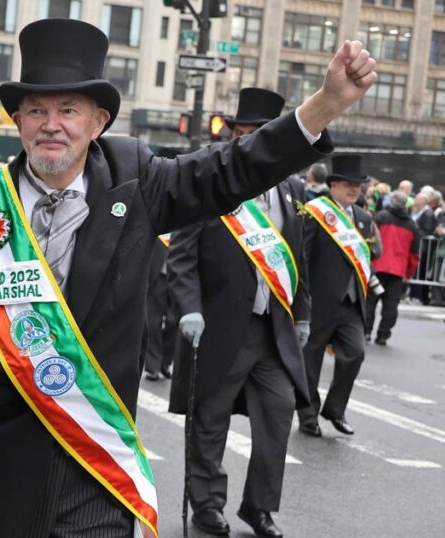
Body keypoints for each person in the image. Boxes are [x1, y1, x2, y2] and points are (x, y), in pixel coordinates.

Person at [0, 18, 375, 537]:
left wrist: (326, 102)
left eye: (68, 110)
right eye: (36, 110)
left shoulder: (137, 180)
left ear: (98, 122)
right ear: (17, 121)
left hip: (95, 468)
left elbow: (233, 167)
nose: (51, 124)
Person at [166, 88, 312, 538]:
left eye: (260, 135)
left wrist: (302, 311)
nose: (249, 143)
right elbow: (182, 256)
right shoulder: (212, 182)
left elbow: (297, 257)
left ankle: (260, 507)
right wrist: (188, 309)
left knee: (279, 411)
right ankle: (207, 503)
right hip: (219, 325)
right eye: (244, 134)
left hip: (273, 329)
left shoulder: (291, 189)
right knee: (209, 418)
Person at [297, 154, 380, 438]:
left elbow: (367, 257)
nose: (354, 189)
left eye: (358, 184)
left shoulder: (363, 217)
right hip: (319, 301)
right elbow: (303, 257)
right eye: (348, 184)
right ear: (332, 185)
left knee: (355, 353)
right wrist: (302, 300)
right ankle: (308, 416)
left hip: (351, 303)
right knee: (310, 361)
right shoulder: (314, 211)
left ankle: (335, 409)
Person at [365, 190, 419, 345]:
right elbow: (414, 253)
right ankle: (383, 335)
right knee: (391, 304)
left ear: (393, 200)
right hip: (397, 270)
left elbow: (371, 238)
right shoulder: (412, 224)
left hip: (378, 265)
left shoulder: (381, 216)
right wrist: (409, 273)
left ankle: (367, 331)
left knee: (370, 300)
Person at [143, 236, 176, 381]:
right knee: (153, 321)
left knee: (174, 323)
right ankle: (152, 366)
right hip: (158, 275)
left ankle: (165, 363)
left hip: (181, 279)